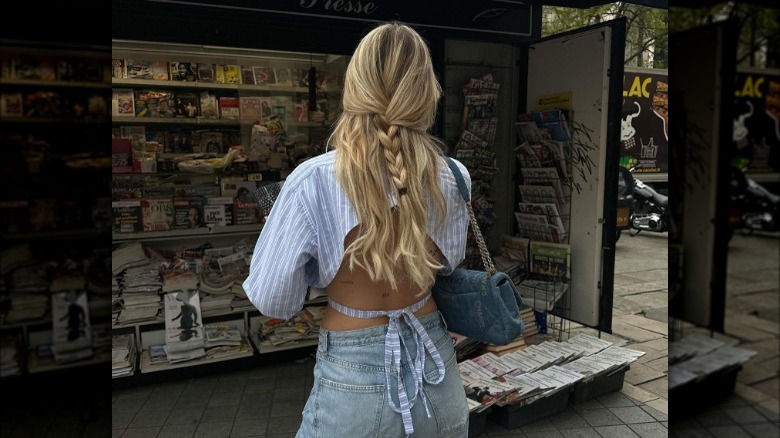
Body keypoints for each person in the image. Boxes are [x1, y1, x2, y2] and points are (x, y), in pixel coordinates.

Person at [243, 22, 471, 437]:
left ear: (356, 86)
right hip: (437, 364)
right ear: (425, 92)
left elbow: (274, 301)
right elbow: (449, 262)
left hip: (354, 376)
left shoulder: (312, 180)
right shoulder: (454, 176)